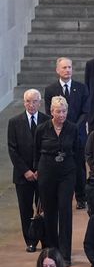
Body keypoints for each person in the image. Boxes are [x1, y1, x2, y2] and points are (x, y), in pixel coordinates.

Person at [35, 97, 80, 264]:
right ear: (51, 112)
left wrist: (79, 182)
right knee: (50, 212)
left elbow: (77, 152)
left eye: (64, 111)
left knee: (65, 210)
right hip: (46, 173)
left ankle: (65, 254)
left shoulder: (73, 128)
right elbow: (36, 151)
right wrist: (36, 170)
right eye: (58, 111)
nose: (61, 115)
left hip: (67, 174)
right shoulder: (42, 129)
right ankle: (52, 252)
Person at [43, 56, 91, 209]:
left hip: (78, 133)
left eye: (69, 67)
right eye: (64, 67)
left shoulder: (81, 88)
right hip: (58, 135)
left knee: (79, 166)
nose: (67, 70)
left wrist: (74, 127)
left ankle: (81, 196)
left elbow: (85, 111)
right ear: (57, 70)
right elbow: (49, 112)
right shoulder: (50, 90)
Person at [8, 89, 43, 253]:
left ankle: (44, 238)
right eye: (28, 101)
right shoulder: (14, 122)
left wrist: (39, 170)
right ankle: (30, 241)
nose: (31, 104)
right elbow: (12, 150)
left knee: (43, 208)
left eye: (35, 101)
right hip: (23, 176)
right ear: (24, 103)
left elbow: (47, 148)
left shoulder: (46, 120)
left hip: (42, 174)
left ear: (40, 103)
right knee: (25, 209)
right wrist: (26, 171)